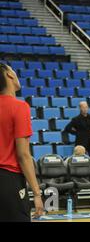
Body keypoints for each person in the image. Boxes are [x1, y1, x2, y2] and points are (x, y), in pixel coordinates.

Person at [0, 63, 44, 222]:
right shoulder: (19, 107)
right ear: (8, 75)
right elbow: (23, 155)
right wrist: (37, 194)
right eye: (12, 70)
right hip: (8, 181)